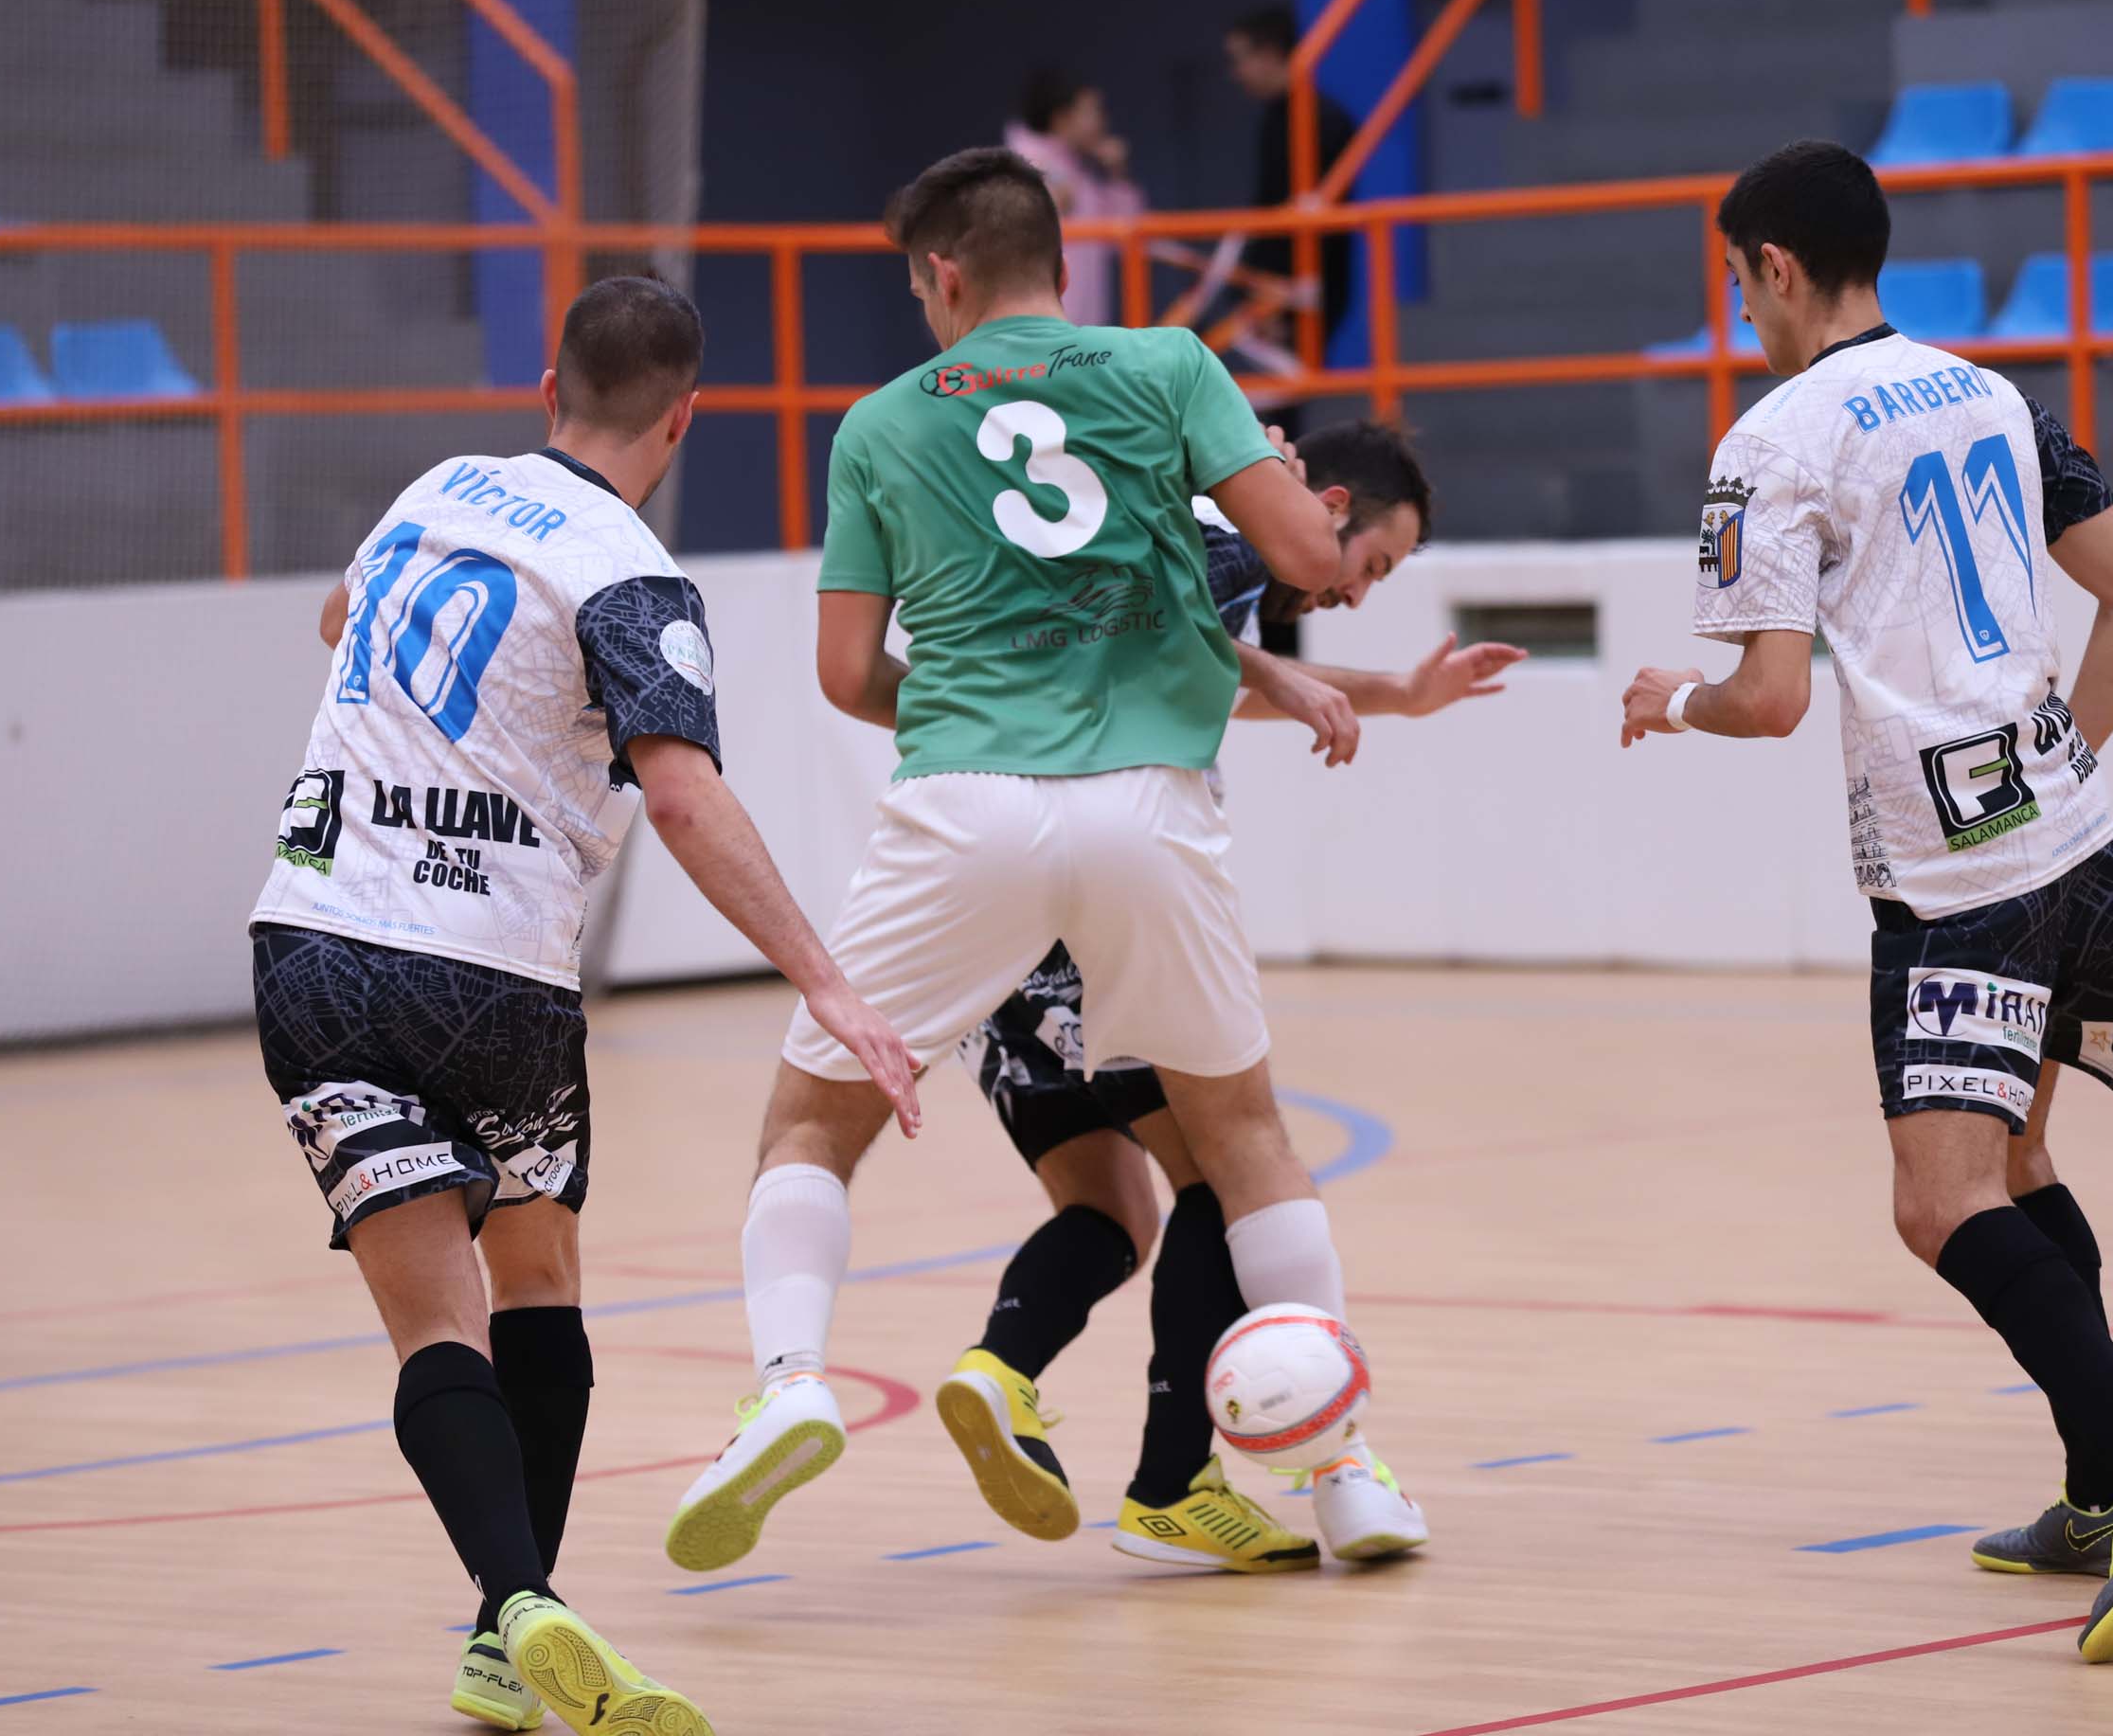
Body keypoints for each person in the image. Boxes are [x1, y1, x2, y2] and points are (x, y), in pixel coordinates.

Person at [663, 147, 1428, 1576]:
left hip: (965, 801)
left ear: (942, 274)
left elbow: (843, 674)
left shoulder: (882, 424)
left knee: (807, 1129)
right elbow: (1303, 556)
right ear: (1059, 263)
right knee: (1246, 1141)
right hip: (1148, 797)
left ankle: (787, 1387)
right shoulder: (1170, 364)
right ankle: (1342, 1474)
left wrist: (963, 696)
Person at [245, 276, 915, 1736]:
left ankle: (513, 1615)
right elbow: (681, 793)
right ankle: (512, 1616)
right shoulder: (630, 570)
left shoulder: (436, 487)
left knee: (434, 1324)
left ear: (550, 389)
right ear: (685, 417)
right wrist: (828, 979)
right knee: (533, 1280)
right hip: (490, 973)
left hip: (311, 945)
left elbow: (338, 616)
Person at [1617, 141, 2113, 1665]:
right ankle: (2100, 1489)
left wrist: (1671, 699)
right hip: (2086, 847)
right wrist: (2052, 768)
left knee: (1939, 1200)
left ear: (1773, 266)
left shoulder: (1772, 440)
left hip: (1956, 880)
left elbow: (1771, 702)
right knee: (2021, 1159)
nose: (1740, 310)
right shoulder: (1994, 396)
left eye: (1736, 280)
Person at [939, 419, 1521, 1569]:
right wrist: (1308, 679)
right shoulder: (1226, 529)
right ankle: (1189, 1483)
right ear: (1331, 503)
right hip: (1093, 909)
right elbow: (1177, 631)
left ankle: (996, 1369)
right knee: (1230, 1175)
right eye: (1375, 564)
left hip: (981, 905)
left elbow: (1191, 656)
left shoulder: (1162, 516)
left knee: (1110, 1212)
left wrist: (1392, 694)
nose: (1360, 593)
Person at [1226, 5, 1356, 355]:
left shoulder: (1320, 120)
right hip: (1278, 283)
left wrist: (1280, 289)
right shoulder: (1277, 118)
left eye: (1240, 60)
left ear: (1269, 54)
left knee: (1282, 391)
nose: (1236, 74)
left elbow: (1311, 215)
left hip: (1301, 283)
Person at [1005, 69, 1145, 328]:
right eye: (1093, 112)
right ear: (1061, 119)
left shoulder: (1079, 171)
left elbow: (1128, 234)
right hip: (1042, 336)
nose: (1102, 122)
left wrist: (1118, 174)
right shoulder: (1022, 163)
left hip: (1078, 333)